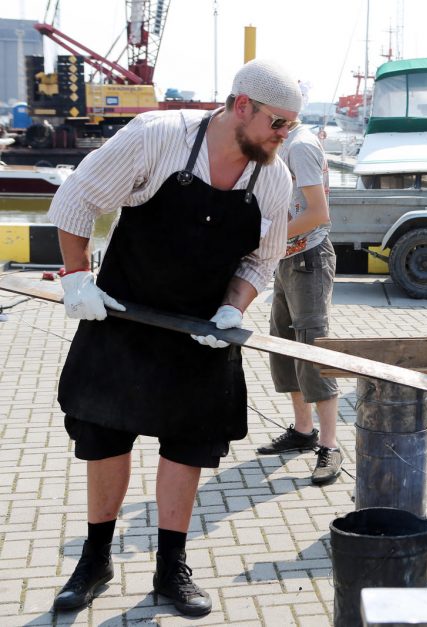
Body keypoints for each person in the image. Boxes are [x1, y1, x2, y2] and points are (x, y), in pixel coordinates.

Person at [47, 59, 302, 616]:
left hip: (200, 332)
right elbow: (75, 201)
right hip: (121, 316)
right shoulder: (158, 138)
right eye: (277, 124)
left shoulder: (273, 177)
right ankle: (95, 560)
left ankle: (170, 568)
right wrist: (76, 279)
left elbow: (263, 259)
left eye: (292, 127)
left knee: (187, 447)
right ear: (241, 106)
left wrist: (233, 310)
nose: (284, 137)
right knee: (106, 438)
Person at [256, 123, 343, 486]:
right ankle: (303, 430)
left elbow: (318, 213)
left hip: (308, 256)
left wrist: (259, 238)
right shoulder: (282, 143)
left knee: (312, 348)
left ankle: (329, 445)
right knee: (283, 343)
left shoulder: (301, 146)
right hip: (287, 256)